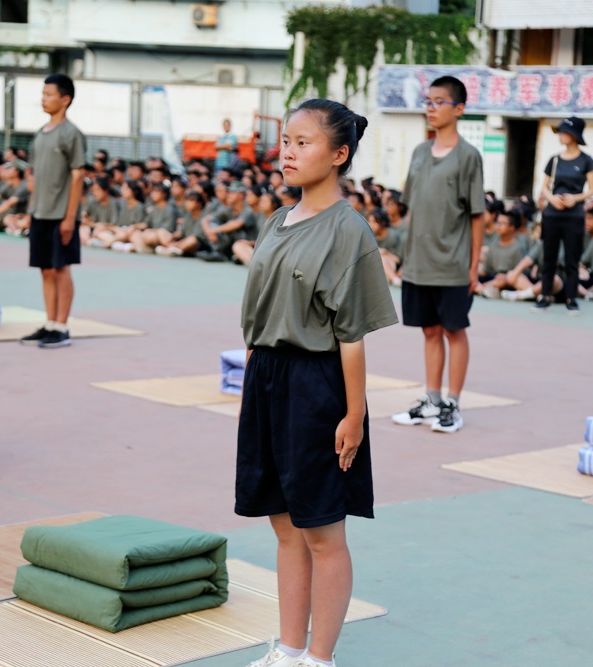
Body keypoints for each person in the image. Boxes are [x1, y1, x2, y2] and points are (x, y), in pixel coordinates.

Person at [237, 98, 398, 667]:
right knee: (284, 528)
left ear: (339, 155)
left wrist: (353, 416)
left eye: (303, 142)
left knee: (323, 532)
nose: (288, 151)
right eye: (287, 140)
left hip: (316, 386)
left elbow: (351, 337)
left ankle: (319, 658)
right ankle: (288, 649)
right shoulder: (278, 220)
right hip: (267, 379)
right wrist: (252, 391)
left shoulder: (350, 232)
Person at [392, 75, 484, 433]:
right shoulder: (418, 153)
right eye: (427, 101)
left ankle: (453, 405)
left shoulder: (468, 157)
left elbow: (477, 214)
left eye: (438, 101)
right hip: (418, 262)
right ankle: (431, 400)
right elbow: (411, 208)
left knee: (453, 330)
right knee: (429, 331)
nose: (430, 108)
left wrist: (474, 266)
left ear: (458, 109)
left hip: (453, 264)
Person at [20, 74, 86, 349]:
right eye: (43, 93)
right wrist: (30, 210)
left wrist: (70, 217)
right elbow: (34, 175)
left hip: (61, 215)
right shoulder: (40, 133)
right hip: (40, 213)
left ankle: (62, 326)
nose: (43, 99)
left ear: (65, 99)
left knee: (61, 270)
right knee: (45, 270)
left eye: (49, 94)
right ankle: (49, 323)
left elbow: (78, 175)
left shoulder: (72, 134)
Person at [535, 116, 593, 313]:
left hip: (574, 215)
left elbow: (591, 190)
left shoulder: (587, 160)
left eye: (564, 132)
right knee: (549, 257)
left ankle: (571, 298)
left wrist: (576, 198)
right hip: (552, 214)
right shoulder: (554, 160)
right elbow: (544, 186)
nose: (560, 135)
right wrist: (551, 199)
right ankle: (545, 295)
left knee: (572, 258)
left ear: (574, 135)